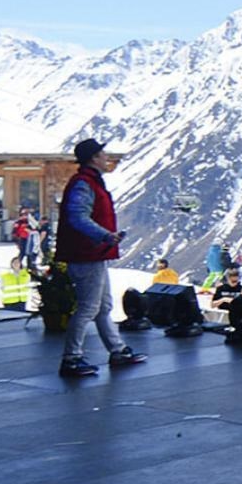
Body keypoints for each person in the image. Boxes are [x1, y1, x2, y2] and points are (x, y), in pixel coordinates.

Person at [55, 138, 146, 377]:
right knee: (88, 307)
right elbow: (77, 217)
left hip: (93, 254)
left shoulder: (88, 182)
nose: (107, 158)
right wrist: (105, 236)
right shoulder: (85, 184)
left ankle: (118, 350)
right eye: (103, 154)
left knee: (103, 306)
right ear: (94, 158)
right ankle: (71, 358)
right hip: (87, 254)